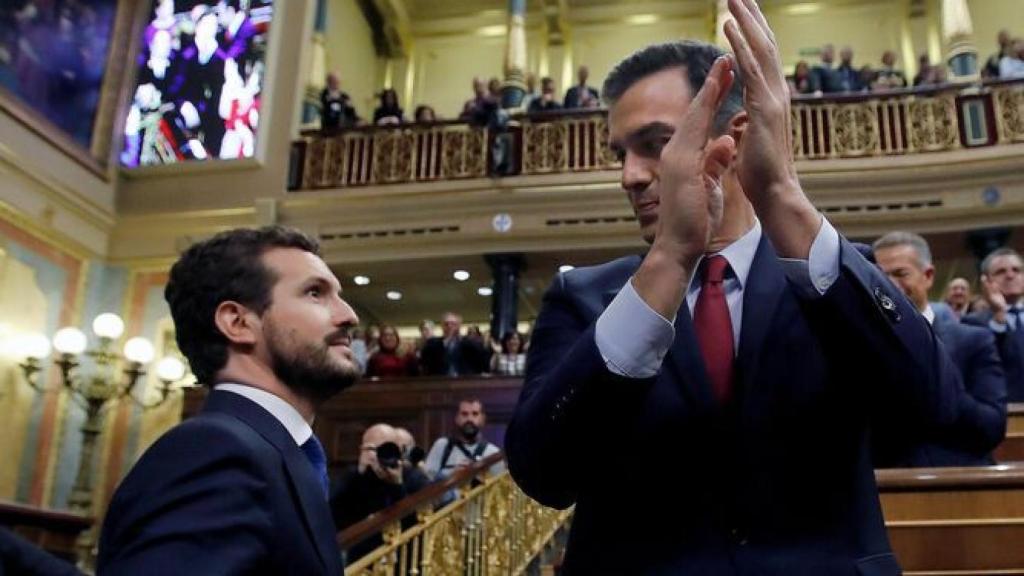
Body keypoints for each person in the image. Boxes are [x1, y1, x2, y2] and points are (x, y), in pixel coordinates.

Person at [505, 1, 962, 572]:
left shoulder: (833, 279)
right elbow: (543, 472)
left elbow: (934, 408)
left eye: (654, 143)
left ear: (738, 135)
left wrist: (784, 198)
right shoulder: (584, 298)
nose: (629, 175)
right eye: (619, 153)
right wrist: (670, 260)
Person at [98, 226, 358, 575]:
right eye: (315, 293)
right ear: (237, 323)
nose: (348, 315)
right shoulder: (215, 451)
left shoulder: (273, 452)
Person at [872, 232, 1006, 467]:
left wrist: (940, 383)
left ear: (928, 276)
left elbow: (992, 428)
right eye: (880, 276)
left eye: (900, 273)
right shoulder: (858, 343)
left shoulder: (974, 340)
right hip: (884, 486)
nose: (890, 284)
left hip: (960, 482)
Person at [330, 423, 406, 562]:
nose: (380, 454)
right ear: (362, 450)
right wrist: (360, 473)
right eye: (373, 448)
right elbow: (331, 512)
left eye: (386, 449)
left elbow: (413, 521)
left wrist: (397, 484)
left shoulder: (408, 476)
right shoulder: (350, 478)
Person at [965, 248, 1024, 401]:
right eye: (1001, 272)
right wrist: (999, 315)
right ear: (986, 281)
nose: (1010, 275)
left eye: (1016, 270)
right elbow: (988, 363)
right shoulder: (972, 323)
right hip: (1007, 413)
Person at [423, 399, 504, 481]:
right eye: (464, 414)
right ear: (457, 418)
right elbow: (427, 481)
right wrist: (451, 475)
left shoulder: (493, 453)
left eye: (475, 414)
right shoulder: (442, 445)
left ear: (482, 419)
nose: (469, 419)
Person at [419, 313, 488, 376]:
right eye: (446, 324)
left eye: (453, 324)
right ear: (442, 326)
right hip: (439, 383)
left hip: (464, 382)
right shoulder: (432, 344)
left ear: (458, 326)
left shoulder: (469, 343)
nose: (449, 326)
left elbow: (482, 360)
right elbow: (424, 364)